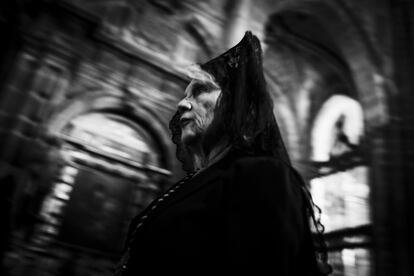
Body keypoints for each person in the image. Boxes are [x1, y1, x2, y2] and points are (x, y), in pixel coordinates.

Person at [114, 31, 331, 275]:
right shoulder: (194, 182)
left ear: (240, 106)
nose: (182, 104)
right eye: (185, 95)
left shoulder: (263, 175)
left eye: (200, 90)